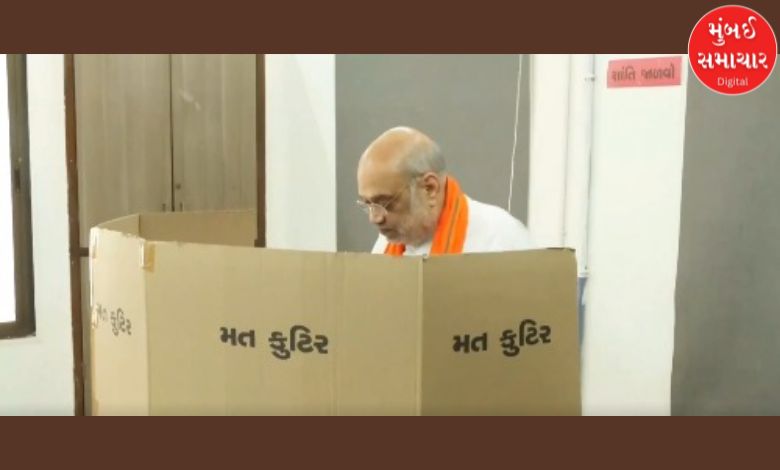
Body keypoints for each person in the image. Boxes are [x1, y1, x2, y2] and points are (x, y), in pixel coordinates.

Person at [356, 126, 534, 256]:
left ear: (430, 188)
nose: (375, 218)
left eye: (385, 203)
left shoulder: (500, 239)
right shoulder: (385, 245)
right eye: (367, 204)